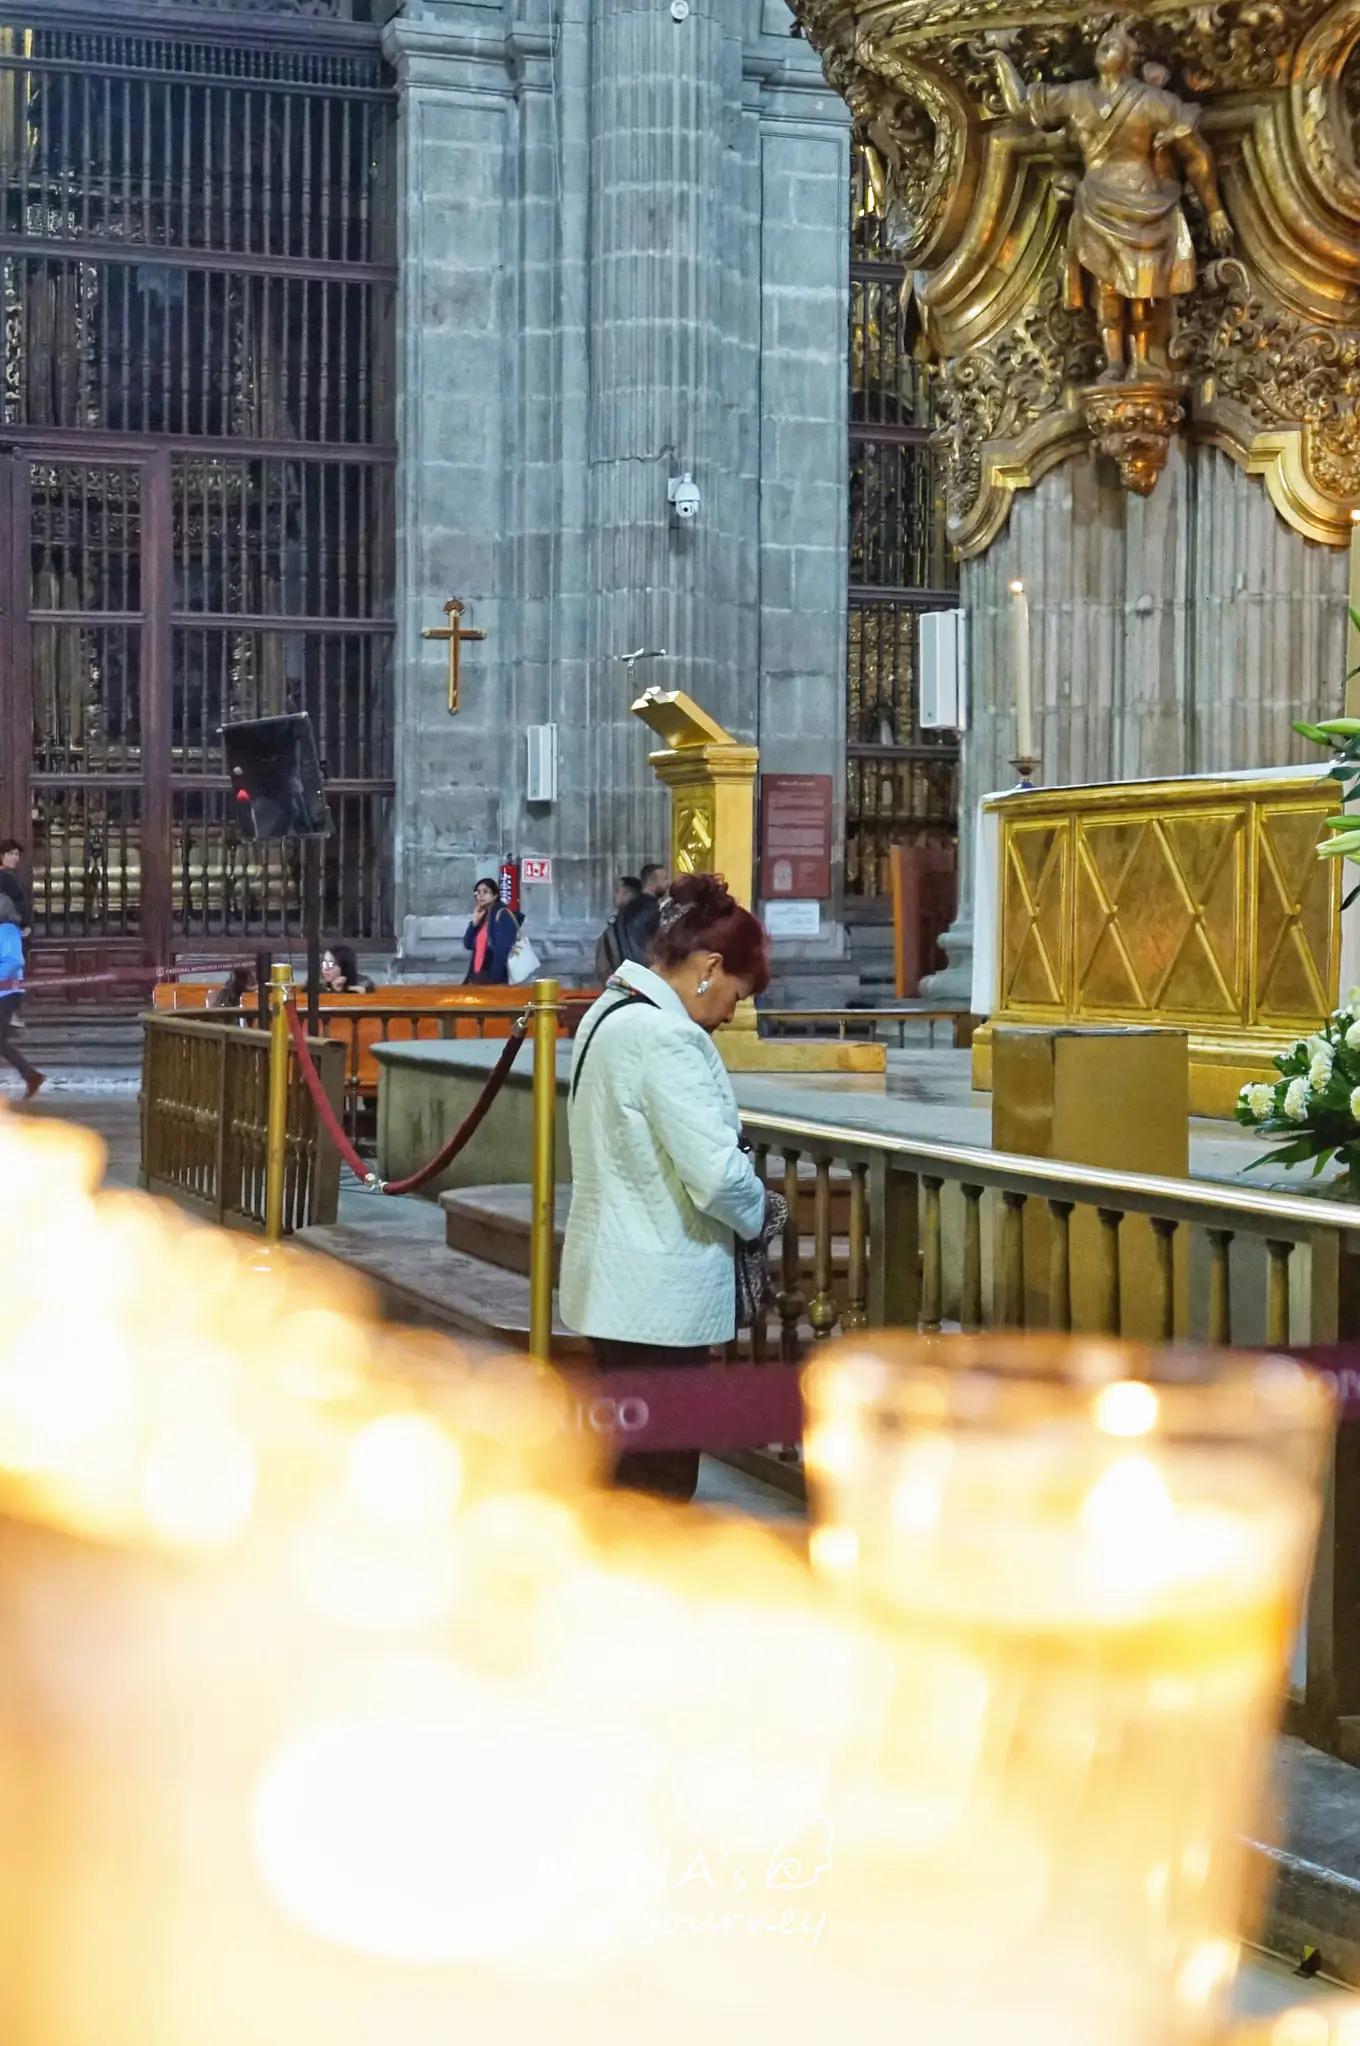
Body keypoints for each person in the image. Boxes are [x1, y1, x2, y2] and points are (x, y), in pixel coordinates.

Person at [560, 872, 771, 1502]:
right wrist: (761, 1209)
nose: (734, 1011)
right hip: (658, 1298)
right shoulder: (669, 1038)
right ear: (709, 967)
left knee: (626, 1468)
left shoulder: (608, 1013)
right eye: (738, 991)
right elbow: (715, 1174)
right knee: (661, 1483)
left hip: (611, 1285)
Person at [0, 895, 43, 1099]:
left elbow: (14, 962)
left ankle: (31, 1076)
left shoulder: (6, 931)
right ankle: (30, 1076)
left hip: (6, 992)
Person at [463, 877, 520, 986]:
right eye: (478, 892)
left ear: (495, 895)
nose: (481, 895)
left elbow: (502, 950)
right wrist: (474, 923)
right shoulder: (483, 916)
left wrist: (494, 980)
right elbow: (468, 944)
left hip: (491, 979)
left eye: (485, 891)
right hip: (477, 975)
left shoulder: (502, 915)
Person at [616, 860, 669, 965]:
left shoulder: (631, 907)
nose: (668, 883)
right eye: (664, 879)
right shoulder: (649, 909)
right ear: (652, 883)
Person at [594, 875, 641, 982]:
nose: (614, 896)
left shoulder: (618, 931)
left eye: (618, 891)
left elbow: (604, 969)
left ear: (628, 894)